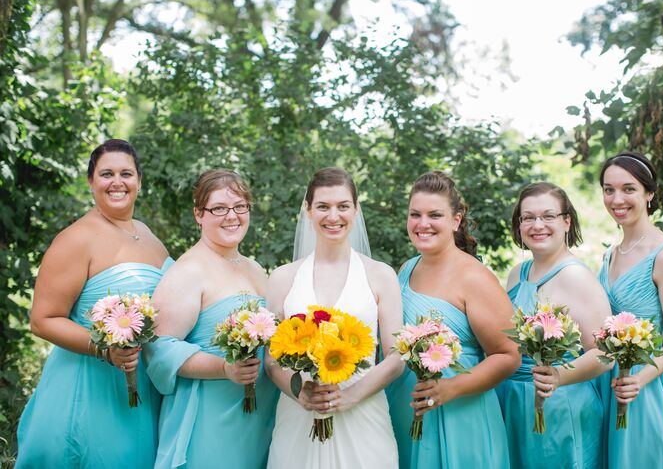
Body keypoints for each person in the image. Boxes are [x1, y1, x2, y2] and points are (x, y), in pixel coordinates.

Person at [15, 139, 171, 468]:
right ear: (91, 181)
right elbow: (43, 320)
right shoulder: (76, 238)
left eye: (126, 173)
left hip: (142, 383)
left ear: (139, 182)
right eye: (106, 174)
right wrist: (105, 349)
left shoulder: (147, 235)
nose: (117, 182)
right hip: (90, 387)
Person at [265, 167, 402, 469]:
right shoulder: (282, 278)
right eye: (323, 206)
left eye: (343, 206)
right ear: (308, 210)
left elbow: (396, 357)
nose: (333, 216)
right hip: (299, 416)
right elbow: (272, 360)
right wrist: (299, 393)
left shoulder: (381, 275)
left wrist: (350, 396)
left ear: (356, 210)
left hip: (363, 414)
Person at [144, 169, 278, 469]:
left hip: (259, 420)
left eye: (240, 206)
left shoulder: (253, 267)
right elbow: (158, 349)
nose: (232, 216)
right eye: (219, 208)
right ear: (198, 214)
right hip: (211, 418)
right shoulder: (189, 270)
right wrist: (224, 367)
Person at [386, 171, 519, 468]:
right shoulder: (406, 269)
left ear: (455, 220)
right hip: (407, 407)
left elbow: (509, 354)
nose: (423, 224)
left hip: (460, 413)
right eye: (415, 214)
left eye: (435, 215)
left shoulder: (474, 277)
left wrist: (451, 387)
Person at [597, 151, 663, 468]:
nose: (617, 199)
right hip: (610, 382)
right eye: (608, 189)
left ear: (650, 193)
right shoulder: (611, 253)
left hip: (647, 385)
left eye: (629, 189)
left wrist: (639, 380)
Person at [495, 181, 611, 468]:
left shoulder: (576, 277)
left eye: (548, 216)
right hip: (513, 401)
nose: (538, 225)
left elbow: (605, 353)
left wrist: (559, 375)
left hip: (559, 405)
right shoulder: (517, 274)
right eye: (529, 217)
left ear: (566, 221)